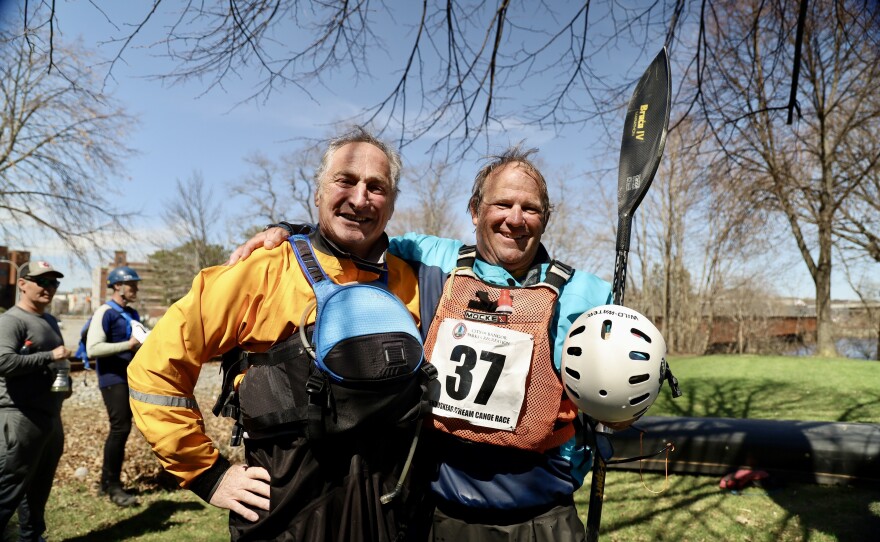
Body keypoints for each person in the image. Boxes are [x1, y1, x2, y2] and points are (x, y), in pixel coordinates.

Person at [236, 146, 613, 540]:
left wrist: (620, 406)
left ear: (546, 219)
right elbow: (353, 238)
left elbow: (613, 404)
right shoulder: (428, 260)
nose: (515, 219)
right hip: (440, 515)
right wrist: (292, 231)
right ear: (475, 211)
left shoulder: (587, 294)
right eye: (502, 203)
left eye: (530, 208)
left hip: (544, 517)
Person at [128, 127, 434, 541]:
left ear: (392, 202)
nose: (360, 198)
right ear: (318, 193)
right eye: (345, 180)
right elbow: (153, 370)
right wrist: (206, 473)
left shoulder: (414, 282)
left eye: (376, 187)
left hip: (392, 510)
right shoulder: (263, 270)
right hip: (288, 513)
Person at [0, 261, 72, 542]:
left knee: (39, 486)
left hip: (50, 415)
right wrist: (50, 357)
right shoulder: (11, 320)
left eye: (54, 282)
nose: (49, 288)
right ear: (22, 284)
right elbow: (4, 361)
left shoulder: (49, 320)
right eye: (42, 281)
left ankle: (31, 537)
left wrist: (64, 380)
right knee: (8, 488)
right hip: (20, 415)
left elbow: (53, 362)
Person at [86, 266, 145, 507]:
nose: (136, 289)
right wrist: (128, 344)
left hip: (129, 377)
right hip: (112, 379)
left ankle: (105, 483)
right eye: (132, 284)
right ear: (117, 286)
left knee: (123, 428)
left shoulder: (132, 313)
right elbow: (93, 349)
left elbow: (135, 345)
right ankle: (113, 486)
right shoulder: (105, 312)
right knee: (119, 428)